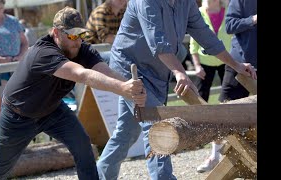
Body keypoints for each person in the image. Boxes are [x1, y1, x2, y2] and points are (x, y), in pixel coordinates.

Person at [96, 0, 257, 179]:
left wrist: (236, 65)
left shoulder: (186, 3)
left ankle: (98, 176)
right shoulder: (146, 2)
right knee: (156, 127)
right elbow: (157, 42)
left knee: (126, 134)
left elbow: (206, 36)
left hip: (158, 73)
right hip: (130, 71)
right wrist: (180, 72)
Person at [0, 6, 146, 180]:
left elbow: (104, 71)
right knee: (0, 171)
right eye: (71, 35)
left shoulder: (81, 49)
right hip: (17, 116)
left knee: (83, 146)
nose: (77, 41)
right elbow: (81, 74)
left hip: (53, 111)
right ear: (56, 33)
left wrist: (129, 86)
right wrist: (122, 89)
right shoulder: (43, 53)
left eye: (80, 35)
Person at [197, 0, 257, 173]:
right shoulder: (240, 1)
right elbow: (230, 26)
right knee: (225, 110)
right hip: (240, 64)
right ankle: (215, 156)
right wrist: (252, 19)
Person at [0, 0, 28, 133]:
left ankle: (18, 138)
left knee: (18, 105)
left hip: (15, 68)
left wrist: (20, 56)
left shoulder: (13, 21)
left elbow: (25, 43)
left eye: (1, 2)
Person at [190, 0, 231, 102]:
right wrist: (197, 66)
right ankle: (200, 118)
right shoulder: (198, 12)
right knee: (201, 97)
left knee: (229, 97)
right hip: (205, 63)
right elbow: (193, 43)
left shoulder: (229, 12)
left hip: (227, 61)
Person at [85, 0, 127, 64]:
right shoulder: (100, 12)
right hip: (91, 52)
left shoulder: (122, 12)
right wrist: (126, 40)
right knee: (120, 59)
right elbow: (105, 38)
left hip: (108, 49)